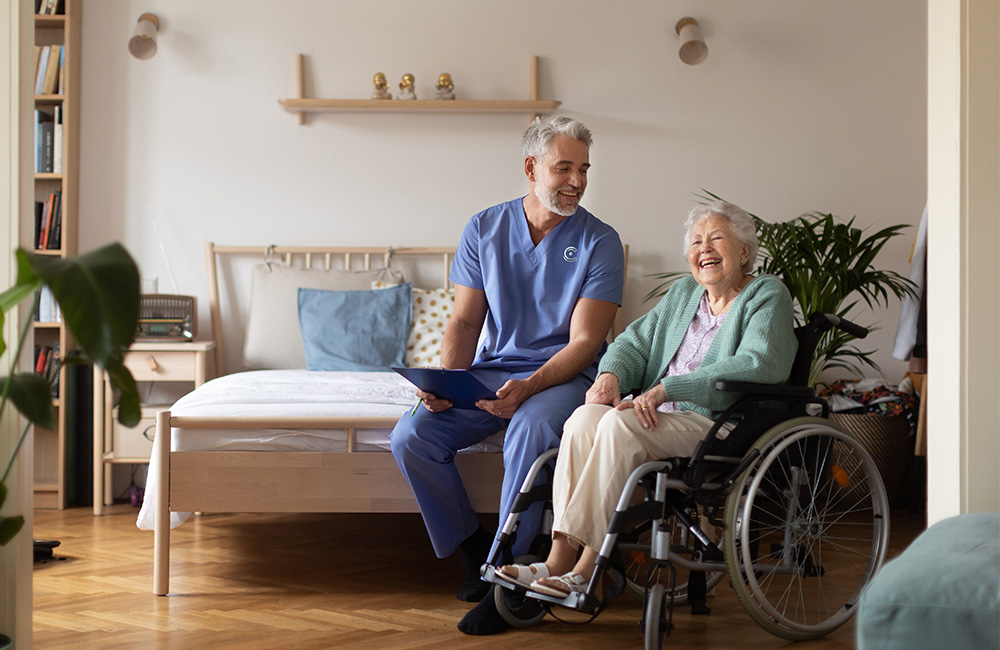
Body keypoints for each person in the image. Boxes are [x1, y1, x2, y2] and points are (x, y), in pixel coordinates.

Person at [390, 115, 625, 635]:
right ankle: (471, 545)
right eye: (564, 167)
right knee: (412, 435)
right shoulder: (483, 227)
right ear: (531, 167)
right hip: (495, 370)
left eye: (583, 169)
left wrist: (530, 389)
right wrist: (444, 383)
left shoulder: (600, 241)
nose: (578, 181)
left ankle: (508, 577)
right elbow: (465, 320)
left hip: (566, 376)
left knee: (531, 429)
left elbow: (586, 342)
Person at [494, 200, 798, 600]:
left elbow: (760, 363)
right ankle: (557, 559)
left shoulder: (766, 294)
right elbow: (632, 343)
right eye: (696, 241)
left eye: (716, 239)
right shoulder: (685, 293)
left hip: (717, 425)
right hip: (656, 418)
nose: (703, 248)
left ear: (743, 251)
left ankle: (588, 570)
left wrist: (669, 389)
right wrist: (609, 376)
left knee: (619, 424)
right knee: (586, 417)